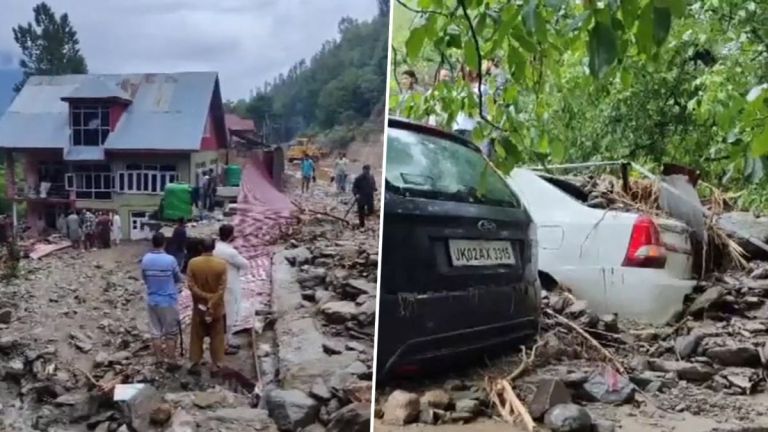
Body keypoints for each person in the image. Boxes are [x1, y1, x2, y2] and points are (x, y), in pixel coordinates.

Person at [186, 238, 227, 376]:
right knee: (217, 336)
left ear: (200, 248)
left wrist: (203, 296)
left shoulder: (193, 263)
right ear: (213, 248)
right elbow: (222, 289)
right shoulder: (221, 265)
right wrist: (212, 299)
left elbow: (191, 285)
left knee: (197, 336)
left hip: (199, 306)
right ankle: (216, 365)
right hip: (216, 307)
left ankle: (195, 363)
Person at [141, 232, 183, 369]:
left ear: (152, 243)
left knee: (155, 332)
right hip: (168, 301)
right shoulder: (170, 260)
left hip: (152, 300)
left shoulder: (145, 259)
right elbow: (178, 278)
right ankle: (171, 360)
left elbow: (145, 278)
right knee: (171, 333)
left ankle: (159, 360)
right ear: (164, 243)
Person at [213, 224, 249, 355]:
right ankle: (224, 345)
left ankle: (226, 340)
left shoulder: (216, 247)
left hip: (217, 284)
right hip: (228, 285)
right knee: (229, 315)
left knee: (223, 315)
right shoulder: (229, 252)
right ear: (231, 235)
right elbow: (245, 264)